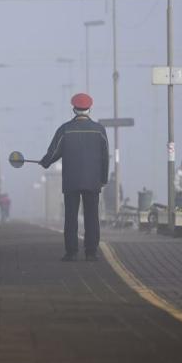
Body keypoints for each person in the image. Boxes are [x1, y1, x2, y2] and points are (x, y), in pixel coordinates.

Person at [39, 93, 109, 262]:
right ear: (90, 109)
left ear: (73, 109)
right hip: (93, 181)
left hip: (71, 180)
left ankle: (71, 252)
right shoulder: (99, 130)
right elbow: (105, 157)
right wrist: (103, 179)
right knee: (92, 217)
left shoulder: (65, 129)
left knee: (70, 217)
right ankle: (91, 252)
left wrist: (45, 162)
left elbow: (54, 152)